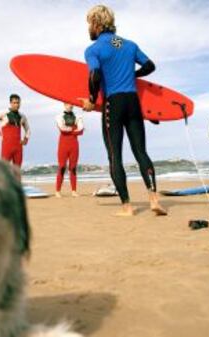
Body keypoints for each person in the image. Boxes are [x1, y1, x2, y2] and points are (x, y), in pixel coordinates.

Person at [78, 5, 167, 216]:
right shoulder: (126, 44)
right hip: (133, 102)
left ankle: (127, 206)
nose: (89, 28)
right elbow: (149, 66)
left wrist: (91, 100)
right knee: (141, 152)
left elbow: (95, 76)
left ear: (97, 24)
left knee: (114, 156)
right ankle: (154, 200)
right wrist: (132, 75)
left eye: (89, 24)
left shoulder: (94, 49)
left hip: (113, 104)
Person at [0, 94, 30, 168]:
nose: (16, 105)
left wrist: (26, 139)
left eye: (18, 103)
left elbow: (28, 129)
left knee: (17, 170)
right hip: (7, 146)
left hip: (18, 147)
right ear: (10, 103)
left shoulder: (22, 116)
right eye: (14, 103)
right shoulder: (4, 113)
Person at [55, 103, 84, 198]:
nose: (70, 105)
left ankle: (74, 191)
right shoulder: (59, 116)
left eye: (71, 104)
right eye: (68, 104)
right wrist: (74, 129)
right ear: (64, 104)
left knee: (73, 167)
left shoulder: (78, 116)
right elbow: (62, 129)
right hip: (63, 144)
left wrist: (71, 130)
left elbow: (81, 129)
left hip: (74, 144)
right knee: (62, 166)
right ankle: (58, 191)